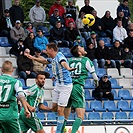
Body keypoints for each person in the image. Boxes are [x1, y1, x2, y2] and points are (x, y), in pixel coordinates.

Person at [27, 43, 75, 133]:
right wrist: (33, 58)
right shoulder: (53, 59)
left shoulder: (60, 56)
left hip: (65, 86)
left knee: (60, 109)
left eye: (47, 49)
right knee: (54, 108)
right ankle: (62, 123)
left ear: (52, 50)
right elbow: (44, 61)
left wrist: (68, 68)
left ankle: (59, 131)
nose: (45, 51)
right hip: (58, 84)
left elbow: (63, 63)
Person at [61, 45, 99, 133]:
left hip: (67, 87)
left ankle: (61, 131)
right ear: (79, 52)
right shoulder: (86, 60)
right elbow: (95, 77)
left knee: (65, 116)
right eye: (81, 48)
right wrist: (96, 85)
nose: (83, 48)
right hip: (77, 87)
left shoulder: (69, 60)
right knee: (80, 116)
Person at [0, 60, 31, 133]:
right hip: (10, 115)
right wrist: (26, 109)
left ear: (1, 70)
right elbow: (21, 95)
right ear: (13, 70)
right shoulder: (15, 82)